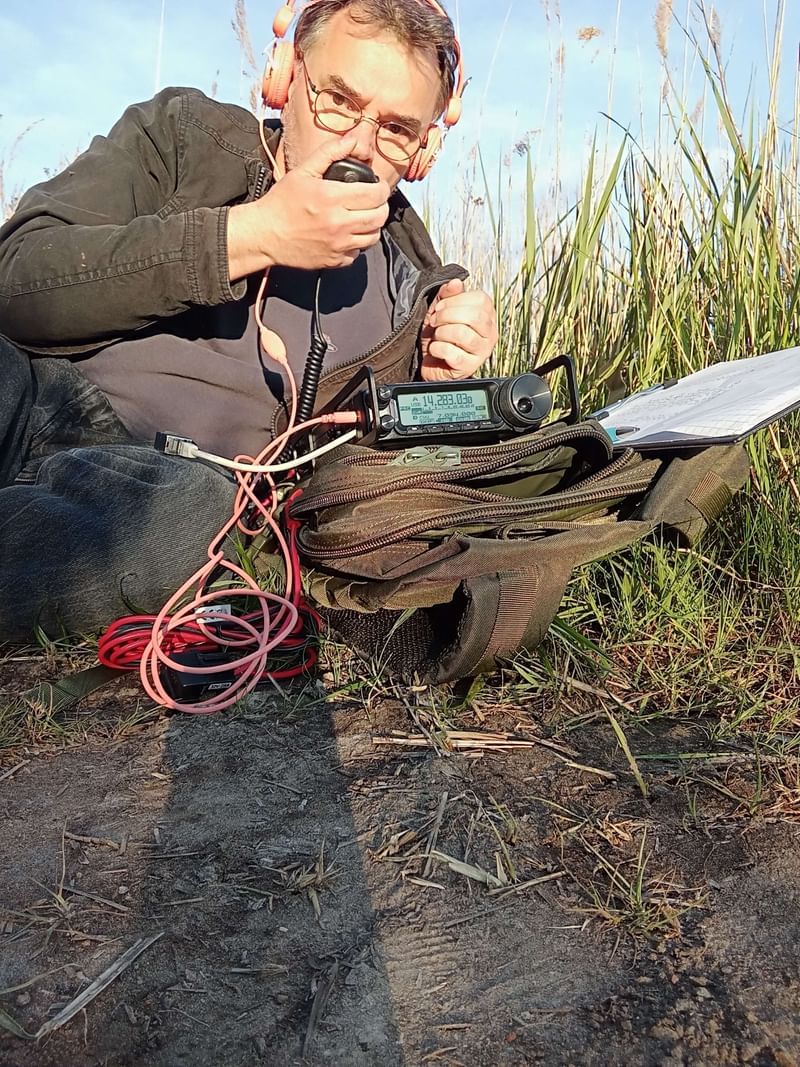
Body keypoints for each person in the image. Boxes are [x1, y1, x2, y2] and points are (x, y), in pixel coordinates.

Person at [0, 0, 498, 644]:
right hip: (41, 396)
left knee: (190, 525)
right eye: (338, 101)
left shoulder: (412, 279)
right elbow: (17, 282)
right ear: (285, 77)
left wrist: (438, 382)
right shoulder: (182, 137)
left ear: (424, 147)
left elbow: (361, 494)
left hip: (162, 490)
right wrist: (251, 236)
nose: (358, 147)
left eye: (397, 129)